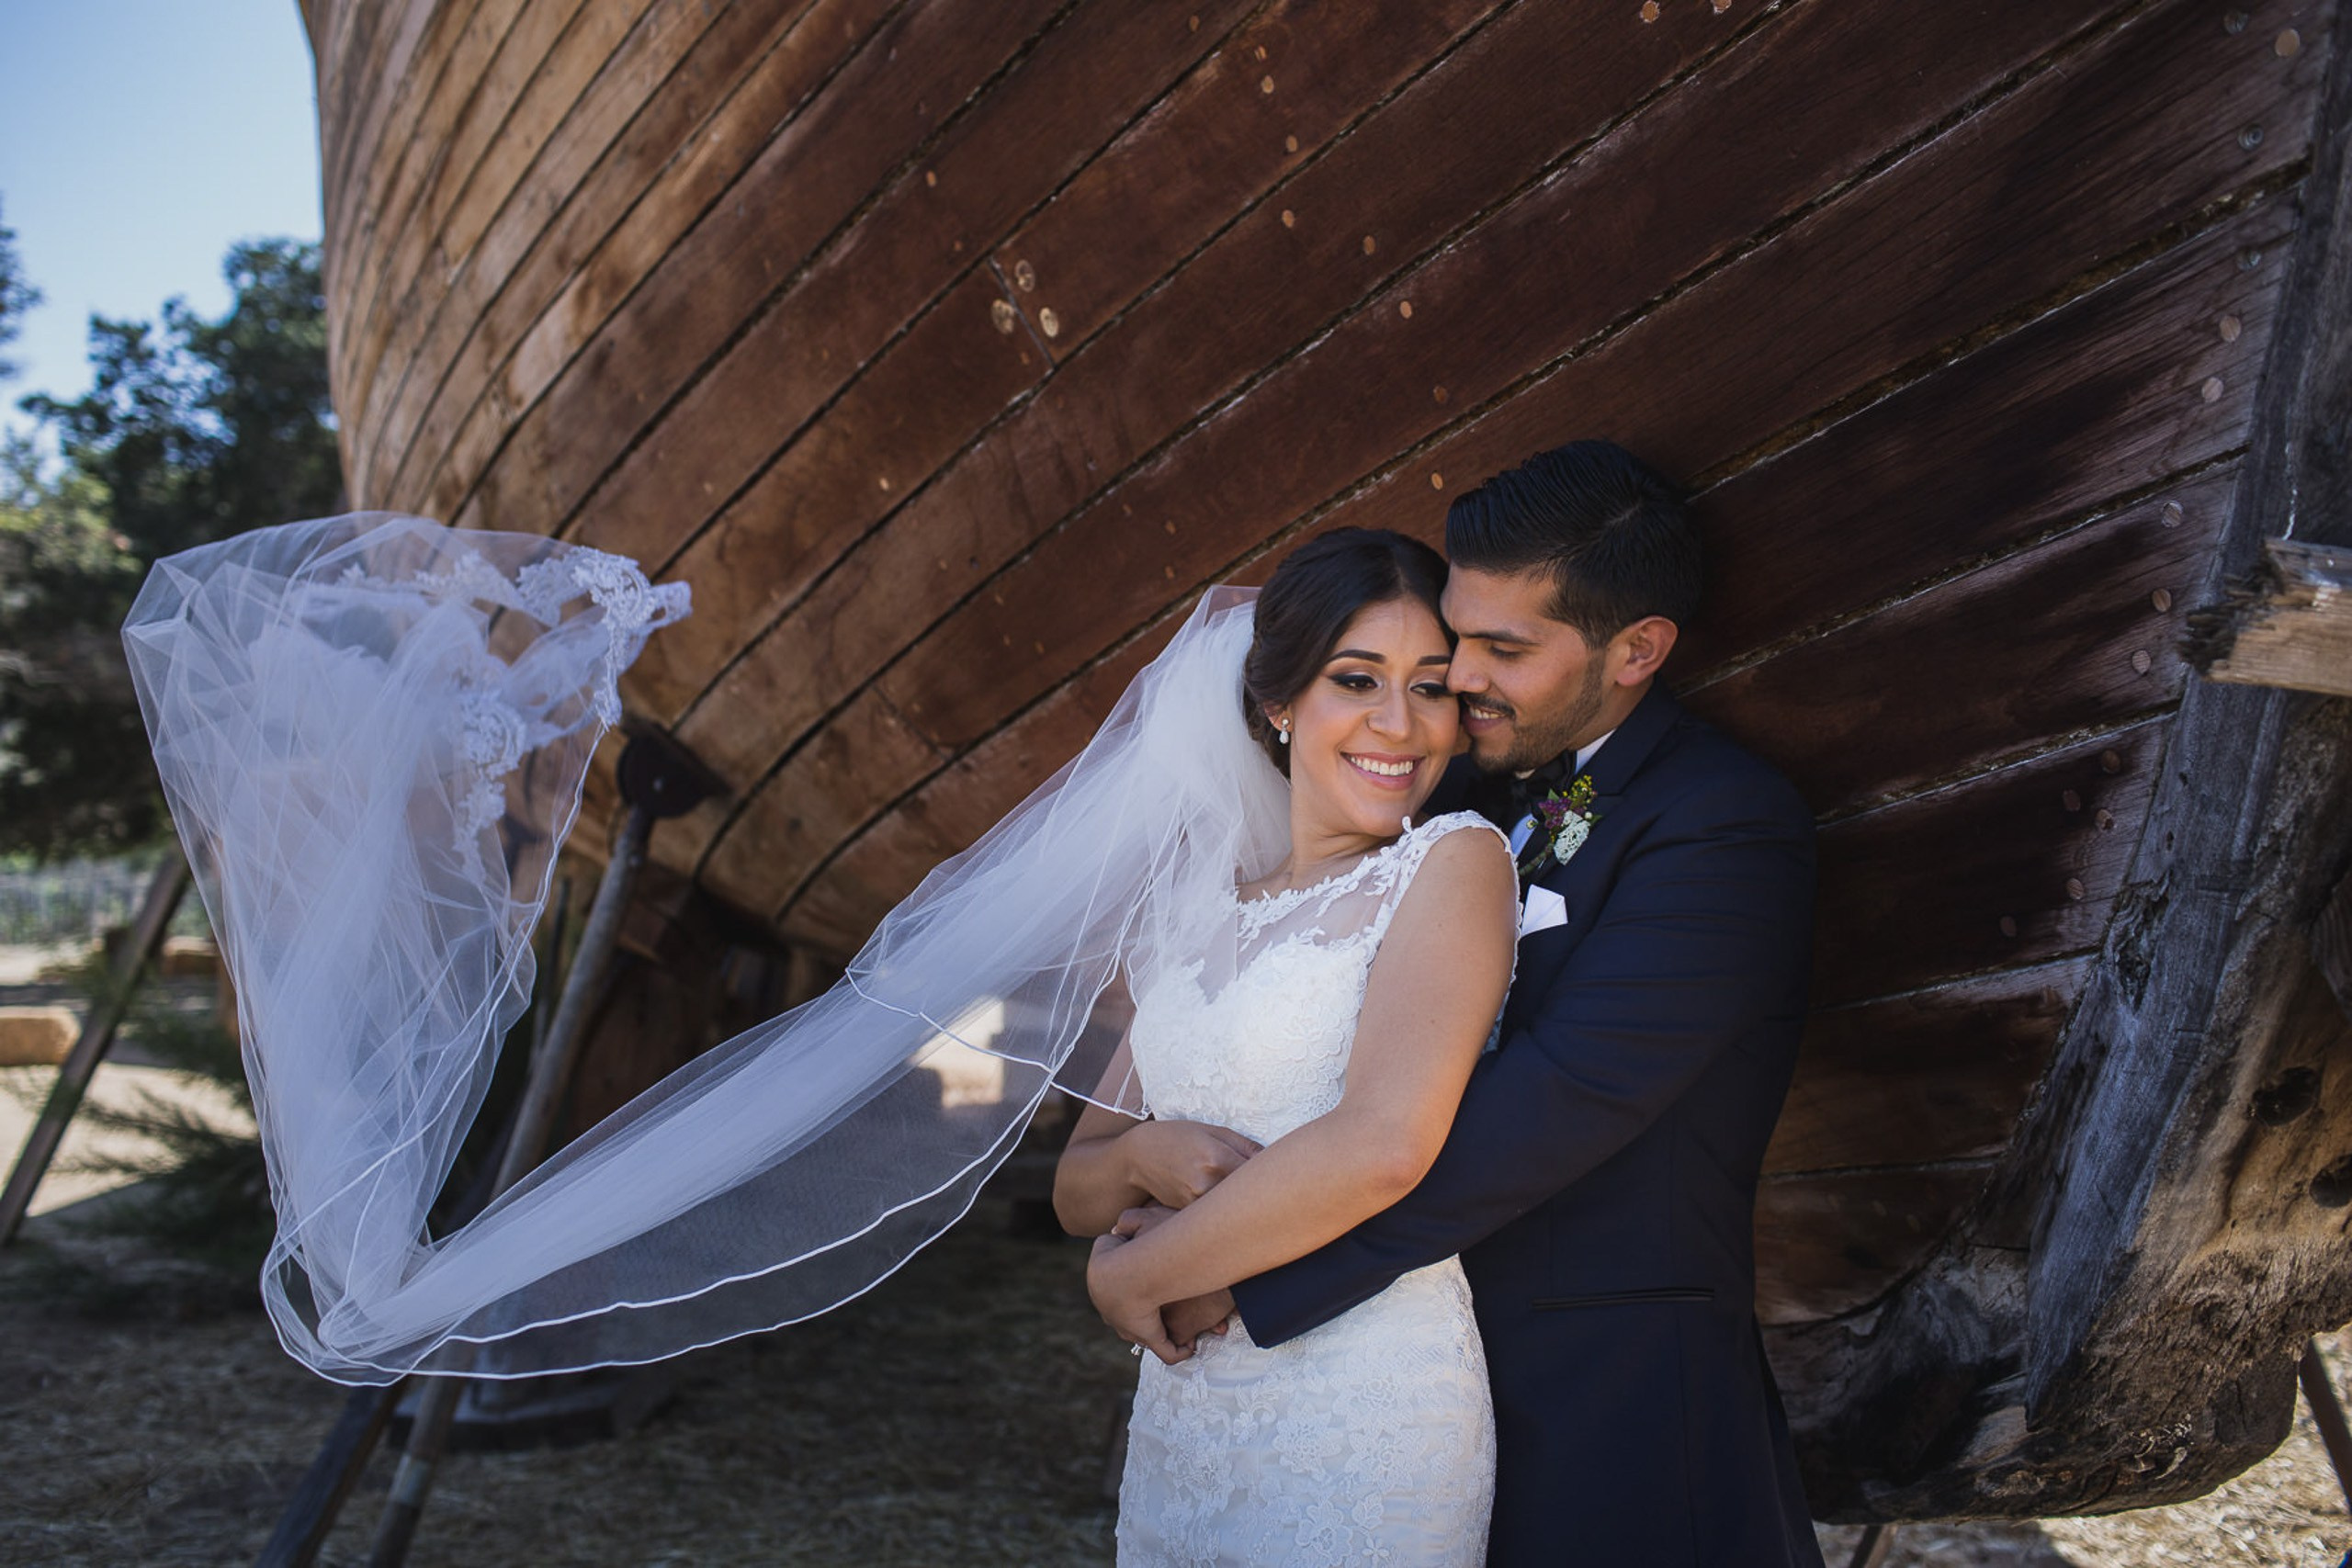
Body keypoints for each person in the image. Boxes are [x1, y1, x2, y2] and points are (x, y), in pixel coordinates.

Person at [1084, 441, 1826, 1568]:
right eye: (1454, 641)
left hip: (1596, 1390)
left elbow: (1554, 1100)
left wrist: (1223, 1268)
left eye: (1501, 650)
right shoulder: (1448, 786)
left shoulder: (1721, 827)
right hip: (1388, 1369)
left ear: (1637, 650)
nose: (1457, 680)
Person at [1054, 527, 1520, 1564]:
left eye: (1431, 687)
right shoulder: (1190, 916)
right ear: (1278, 704)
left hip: (1361, 1408)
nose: (1398, 726)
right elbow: (1077, 1187)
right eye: (1357, 680)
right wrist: (1141, 1154)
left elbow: (1384, 1142)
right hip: (1184, 1415)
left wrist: (1128, 1279)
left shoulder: (1449, 864)